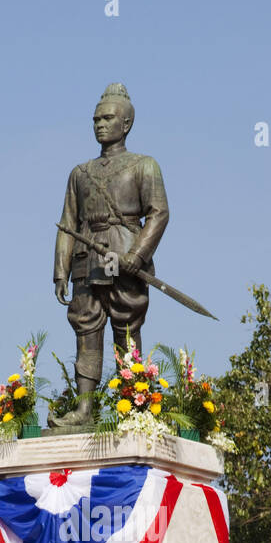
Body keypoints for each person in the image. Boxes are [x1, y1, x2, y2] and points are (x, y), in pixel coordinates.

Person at [52, 83, 169, 427]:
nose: (100, 125)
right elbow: (67, 223)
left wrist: (138, 252)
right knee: (86, 329)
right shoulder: (80, 173)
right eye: (96, 119)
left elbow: (159, 213)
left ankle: (132, 404)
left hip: (124, 254)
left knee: (126, 327)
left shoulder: (144, 165)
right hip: (86, 257)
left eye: (108, 118)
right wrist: (60, 270)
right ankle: (85, 408)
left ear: (126, 124)